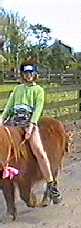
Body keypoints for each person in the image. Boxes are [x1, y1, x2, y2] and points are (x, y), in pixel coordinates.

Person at [0, 60, 62, 203]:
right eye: (25, 73)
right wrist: (2, 119)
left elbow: (38, 109)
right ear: (22, 75)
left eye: (31, 73)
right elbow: (9, 107)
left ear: (35, 74)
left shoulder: (38, 90)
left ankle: (51, 185)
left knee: (39, 151)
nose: (28, 76)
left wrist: (32, 125)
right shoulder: (17, 90)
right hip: (14, 124)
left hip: (29, 123)